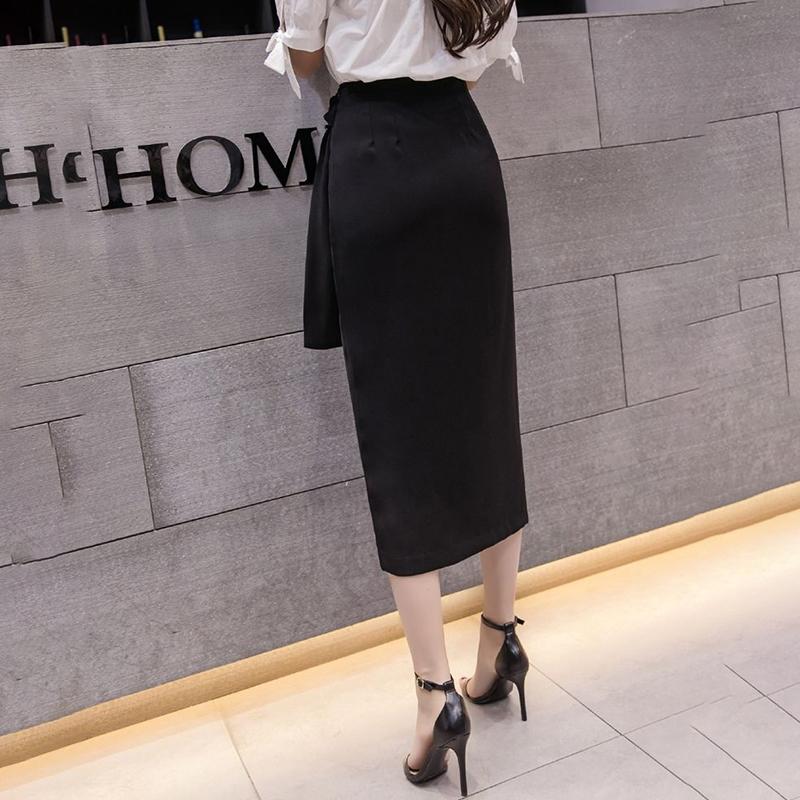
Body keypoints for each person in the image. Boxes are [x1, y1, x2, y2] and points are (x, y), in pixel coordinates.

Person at [265, 2, 530, 796]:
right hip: (463, 155)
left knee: (400, 431)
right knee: (487, 408)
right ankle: (500, 641)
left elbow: (304, 54)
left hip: (377, 161)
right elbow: (479, 58)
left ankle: (434, 697)